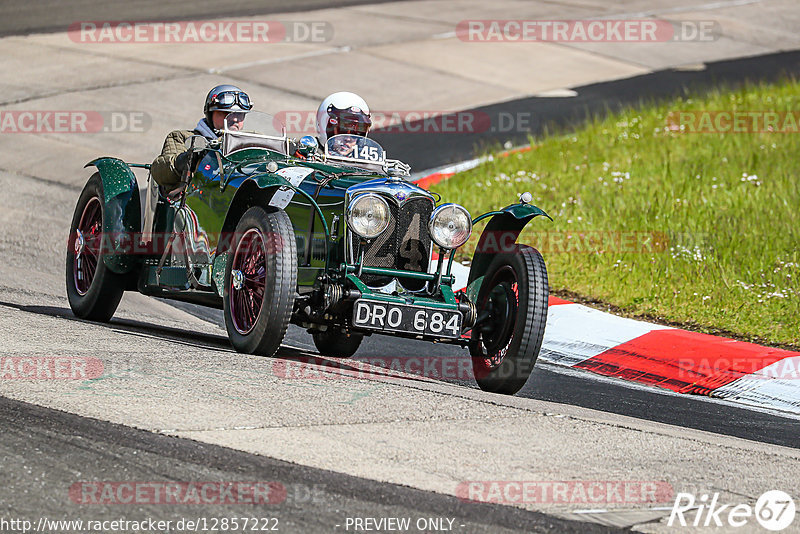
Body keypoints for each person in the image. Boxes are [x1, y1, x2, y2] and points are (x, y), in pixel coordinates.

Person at [150, 84, 252, 191]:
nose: (235, 119)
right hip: (196, 199)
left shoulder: (252, 142)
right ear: (210, 114)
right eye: (226, 113)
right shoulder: (182, 138)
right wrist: (188, 158)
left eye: (240, 114)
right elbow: (159, 171)